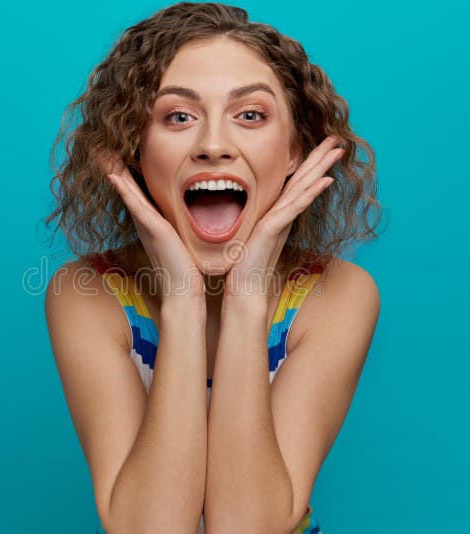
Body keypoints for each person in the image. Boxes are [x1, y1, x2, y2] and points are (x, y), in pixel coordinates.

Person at [44, 2, 382, 532]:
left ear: (295, 149)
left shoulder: (338, 294)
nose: (214, 146)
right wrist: (181, 299)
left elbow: (248, 527)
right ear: (132, 148)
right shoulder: (87, 294)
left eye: (250, 115)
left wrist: (246, 297)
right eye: (178, 116)